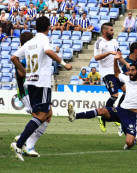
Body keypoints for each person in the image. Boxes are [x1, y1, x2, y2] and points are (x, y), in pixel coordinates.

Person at [10, 16, 72, 161]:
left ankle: (27, 142)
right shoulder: (44, 39)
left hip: (31, 83)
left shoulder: (30, 42)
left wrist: (25, 72)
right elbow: (49, 52)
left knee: (48, 113)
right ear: (48, 27)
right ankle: (20, 143)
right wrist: (64, 64)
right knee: (42, 116)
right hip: (41, 83)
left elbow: (13, 58)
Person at [13, 32, 49, 157]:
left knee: (47, 114)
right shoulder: (23, 55)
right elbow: (21, 73)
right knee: (40, 116)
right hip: (27, 91)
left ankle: (24, 140)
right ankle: (26, 144)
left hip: (32, 89)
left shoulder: (25, 52)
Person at [95, 22, 129, 132]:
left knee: (127, 91)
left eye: (113, 30)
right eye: (111, 30)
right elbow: (96, 57)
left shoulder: (114, 41)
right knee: (114, 95)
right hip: (106, 73)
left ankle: (117, 112)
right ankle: (102, 117)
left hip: (116, 72)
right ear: (105, 31)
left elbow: (118, 56)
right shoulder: (99, 42)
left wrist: (127, 64)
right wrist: (109, 52)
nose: (113, 32)